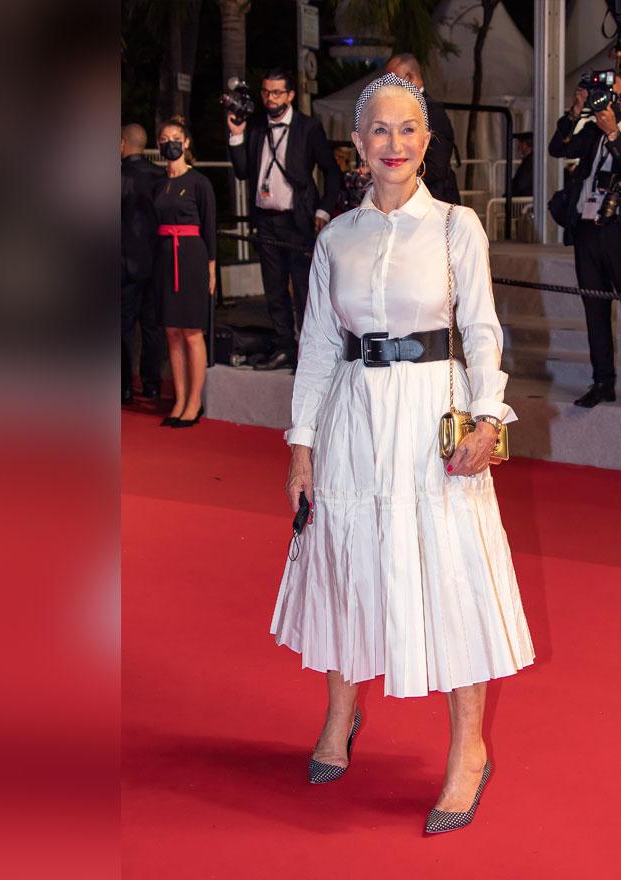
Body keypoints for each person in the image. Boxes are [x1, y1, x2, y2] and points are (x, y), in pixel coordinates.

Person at [269, 73, 534, 834]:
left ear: (427, 140)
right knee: (348, 560)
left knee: (450, 574)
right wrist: (301, 446)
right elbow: (318, 346)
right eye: (379, 131)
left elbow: (482, 330)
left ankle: (469, 750)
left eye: (408, 129)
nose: (394, 144)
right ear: (358, 144)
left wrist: (488, 417)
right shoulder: (335, 238)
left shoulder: (457, 227)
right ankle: (340, 715)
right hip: (354, 413)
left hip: (432, 421)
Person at [227, 69, 341, 371]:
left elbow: (332, 172)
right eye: (266, 92)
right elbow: (241, 172)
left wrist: (323, 210)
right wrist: (236, 134)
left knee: (304, 289)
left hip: (299, 221)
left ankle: (310, 354)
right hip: (266, 220)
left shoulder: (308, 128)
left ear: (290, 95)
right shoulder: (255, 126)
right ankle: (284, 348)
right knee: (274, 288)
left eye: (277, 92)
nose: (270, 98)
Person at [549, 72, 621, 408]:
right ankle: (603, 382)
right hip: (588, 230)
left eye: (611, 94)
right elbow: (557, 148)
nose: (604, 100)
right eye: (601, 93)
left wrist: (613, 133)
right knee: (595, 311)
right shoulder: (590, 129)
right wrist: (575, 111)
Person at [151, 117, 216, 428]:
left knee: (191, 332)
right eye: (164, 138)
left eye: (175, 137)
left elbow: (210, 228)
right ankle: (178, 399)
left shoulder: (199, 182)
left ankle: (194, 402)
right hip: (164, 257)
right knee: (171, 332)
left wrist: (212, 268)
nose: (169, 142)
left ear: (186, 143)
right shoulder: (158, 183)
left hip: (192, 258)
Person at [121, 123, 164, 405]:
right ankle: (152, 385)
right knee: (152, 325)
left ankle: (123, 387)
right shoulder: (161, 176)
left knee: (123, 325)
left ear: (122, 143)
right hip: (157, 260)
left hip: (124, 261)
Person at [383, 53, 461, 204]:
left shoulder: (433, 112)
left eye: (392, 80)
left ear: (409, 78)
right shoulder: (405, 110)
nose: (387, 87)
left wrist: (394, 172)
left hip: (433, 203)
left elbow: (436, 168)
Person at [509, 132, 534, 197]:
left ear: (525, 144)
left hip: (523, 203)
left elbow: (521, 184)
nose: (519, 146)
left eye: (520, 143)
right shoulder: (530, 160)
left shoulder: (529, 162)